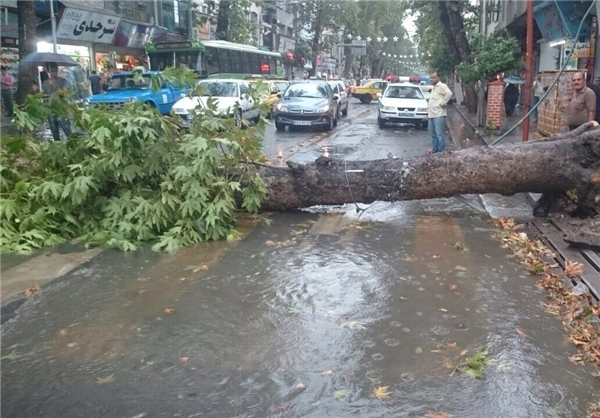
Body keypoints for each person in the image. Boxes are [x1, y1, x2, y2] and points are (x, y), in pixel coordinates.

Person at [42, 63, 73, 141]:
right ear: (48, 71)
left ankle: (72, 143)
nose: (54, 73)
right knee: (54, 130)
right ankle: (58, 146)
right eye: (52, 71)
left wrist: (55, 86)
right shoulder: (45, 82)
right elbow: (43, 93)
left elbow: (64, 93)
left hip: (61, 108)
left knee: (66, 129)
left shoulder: (63, 81)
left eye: (55, 71)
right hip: (51, 108)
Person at [427, 71, 453, 154]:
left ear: (438, 78)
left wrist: (442, 103)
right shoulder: (434, 87)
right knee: (433, 134)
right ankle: (435, 150)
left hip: (438, 114)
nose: (431, 79)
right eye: (431, 78)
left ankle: (440, 151)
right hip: (431, 114)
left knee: (439, 135)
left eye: (433, 78)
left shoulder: (442, 86)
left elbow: (449, 94)